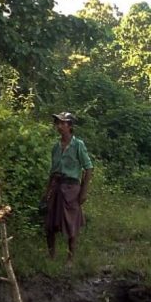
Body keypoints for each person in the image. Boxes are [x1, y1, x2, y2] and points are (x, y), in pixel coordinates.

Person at [43, 111, 94, 263]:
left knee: (71, 223)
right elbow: (53, 172)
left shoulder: (78, 145)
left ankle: (70, 258)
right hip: (56, 185)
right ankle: (51, 256)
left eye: (62, 123)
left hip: (71, 188)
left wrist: (84, 192)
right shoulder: (56, 147)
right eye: (57, 123)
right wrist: (47, 192)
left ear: (70, 126)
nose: (59, 126)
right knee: (49, 223)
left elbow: (88, 168)